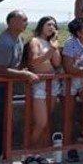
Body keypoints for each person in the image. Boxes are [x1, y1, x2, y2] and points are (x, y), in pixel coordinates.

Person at [0, 9, 35, 164]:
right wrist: (24, 74)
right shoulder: (4, 43)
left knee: (4, 121)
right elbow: (1, 70)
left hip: (6, 86)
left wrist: (21, 70)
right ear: (12, 22)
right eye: (23, 20)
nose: (26, 22)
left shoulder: (18, 39)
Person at [24, 16, 63, 154]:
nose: (51, 27)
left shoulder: (51, 43)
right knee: (41, 121)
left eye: (54, 25)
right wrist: (51, 50)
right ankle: (30, 151)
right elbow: (35, 61)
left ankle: (39, 150)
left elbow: (57, 63)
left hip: (52, 83)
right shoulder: (35, 41)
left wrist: (54, 46)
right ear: (41, 26)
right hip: (39, 83)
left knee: (47, 119)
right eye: (48, 24)